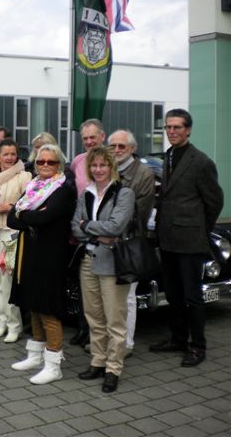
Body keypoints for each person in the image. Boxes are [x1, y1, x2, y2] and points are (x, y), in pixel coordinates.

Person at [151, 109, 224, 367]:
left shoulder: (201, 162)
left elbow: (215, 201)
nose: (172, 131)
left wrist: (200, 229)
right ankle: (178, 338)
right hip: (168, 239)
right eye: (168, 127)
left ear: (188, 130)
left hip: (191, 241)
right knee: (173, 294)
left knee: (192, 297)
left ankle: (197, 346)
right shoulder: (169, 156)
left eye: (177, 127)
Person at [7, 144, 76, 384]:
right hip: (30, 252)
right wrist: (29, 217)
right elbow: (11, 219)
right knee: (33, 303)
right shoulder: (33, 186)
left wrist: (24, 215)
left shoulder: (64, 190)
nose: (45, 165)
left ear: (59, 165)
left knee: (48, 308)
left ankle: (54, 364)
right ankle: (35, 354)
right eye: (40, 161)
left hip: (51, 255)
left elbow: (43, 217)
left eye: (51, 162)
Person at [71, 146, 135, 393]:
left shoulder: (124, 193)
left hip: (112, 262)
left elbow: (116, 226)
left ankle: (113, 368)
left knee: (114, 319)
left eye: (103, 165)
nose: (98, 169)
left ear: (111, 166)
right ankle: (98, 361)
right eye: (94, 165)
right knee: (94, 316)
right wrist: (96, 232)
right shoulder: (85, 193)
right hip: (88, 259)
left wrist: (86, 225)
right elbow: (74, 226)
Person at [107, 130, 155, 358]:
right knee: (109, 295)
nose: (116, 150)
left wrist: (109, 224)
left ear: (132, 149)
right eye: (113, 146)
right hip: (105, 242)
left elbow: (141, 212)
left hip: (128, 243)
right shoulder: (107, 169)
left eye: (121, 146)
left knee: (127, 296)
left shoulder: (143, 174)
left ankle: (126, 344)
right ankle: (111, 341)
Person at [0, 139, 31, 343]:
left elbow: (29, 203)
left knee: (8, 278)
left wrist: (11, 207)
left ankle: (14, 325)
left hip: (11, 231)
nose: (10, 157)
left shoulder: (24, 176)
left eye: (13, 154)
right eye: (6, 154)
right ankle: (2, 321)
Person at [68, 118, 106, 347]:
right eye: (85, 138)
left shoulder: (110, 160)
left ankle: (98, 335)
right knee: (84, 286)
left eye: (93, 137)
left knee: (102, 290)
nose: (89, 141)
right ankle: (84, 329)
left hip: (104, 235)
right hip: (80, 234)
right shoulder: (78, 161)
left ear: (103, 136)